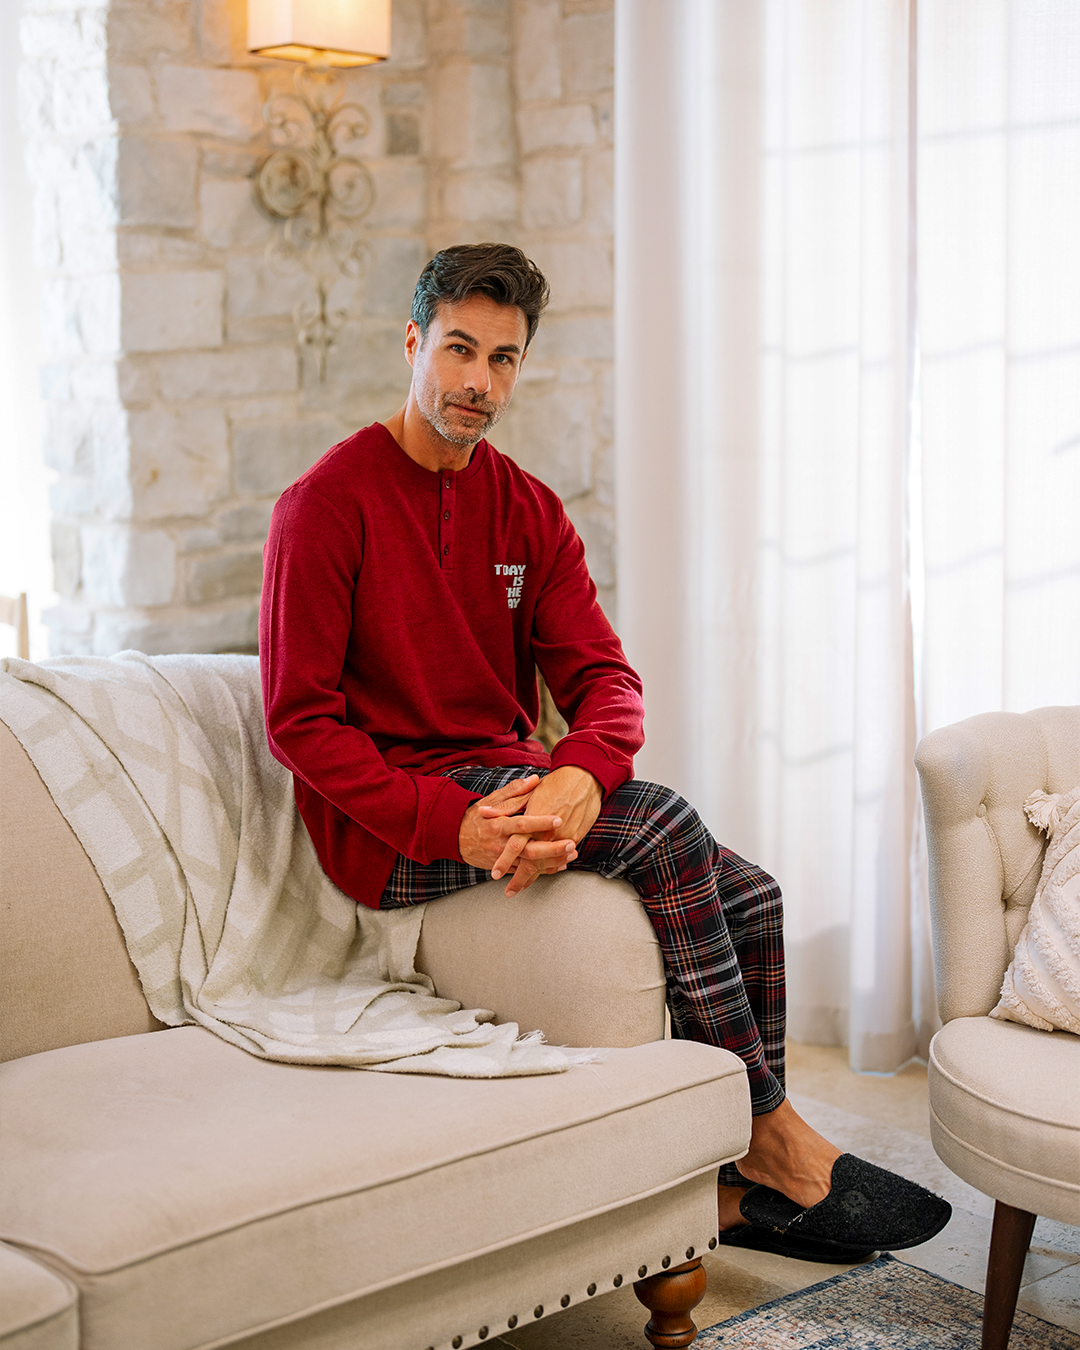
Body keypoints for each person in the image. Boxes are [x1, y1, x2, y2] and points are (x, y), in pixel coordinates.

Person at [259, 242, 950, 1262]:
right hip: (394, 829)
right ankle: (769, 1136)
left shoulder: (529, 511)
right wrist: (449, 822)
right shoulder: (323, 505)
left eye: (503, 358)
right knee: (664, 822)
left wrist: (582, 771)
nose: (478, 381)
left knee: (754, 896)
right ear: (412, 343)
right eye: (458, 349)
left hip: (513, 783)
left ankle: (731, 1194)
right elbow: (299, 720)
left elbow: (606, 680)